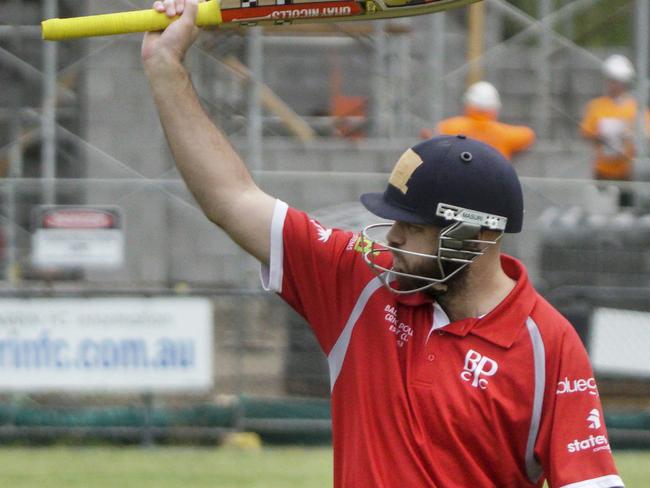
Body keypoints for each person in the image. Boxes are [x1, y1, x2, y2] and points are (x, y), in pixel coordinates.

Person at [143, 2, 623, 486]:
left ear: (477, 235)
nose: (392, 236)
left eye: (413, 226)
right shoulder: (363, 279)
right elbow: (232, 198)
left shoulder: (550, 344)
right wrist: (166, 68)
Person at [580, 54, 650, 197]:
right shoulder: (597, 106)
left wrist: (631, 136)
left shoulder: (636, 107)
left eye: (617, 81)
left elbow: (646, 134)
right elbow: (586, 132)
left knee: (627, 211)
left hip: (628, 171)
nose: (613, 85)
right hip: (602, 171)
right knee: (602, 208)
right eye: (610, 81)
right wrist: (599, 137)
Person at [420, 81, 536, 161]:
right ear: (495, 109)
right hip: (494, 185)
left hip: (455, 186)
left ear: (468, 105)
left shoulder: (451, 127)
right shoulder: (503, 133)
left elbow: (431, 135)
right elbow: (528, 135)